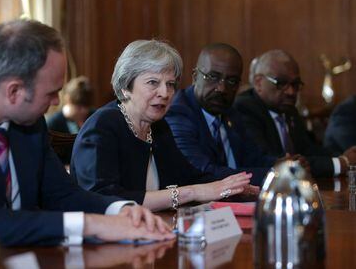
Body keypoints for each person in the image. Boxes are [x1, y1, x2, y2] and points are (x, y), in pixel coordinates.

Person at [0, 19, 174, 247]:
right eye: (52, 93)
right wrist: (92, 225)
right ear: (14, 91)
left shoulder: (30, 121)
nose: (56, 102)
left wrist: (121, 209)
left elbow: (63, 194)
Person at [71, 39, 258, 211]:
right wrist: (191, 192)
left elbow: (190, 177)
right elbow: (104, 200)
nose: (165, 93)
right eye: (153, 82)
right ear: (125, 87)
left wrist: (233, 187)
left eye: (170, 84)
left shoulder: (158, 127)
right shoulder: (102, 127)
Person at [164, 43, 277, 186]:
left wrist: (285, 166)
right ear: (195, 77)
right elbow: (203, 172)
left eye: (232, 81)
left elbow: (254, 158)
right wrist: (274, 176)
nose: (222, 88)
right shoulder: (179, 113)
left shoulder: (231, 112)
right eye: (212, 77)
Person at [234, 49, 356, 178]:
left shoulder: (289, 110)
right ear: (258, 82)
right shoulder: (245, 109)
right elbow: (274, 162)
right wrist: (341, 163)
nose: (291, 92)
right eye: (281, 83)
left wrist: (345, 156)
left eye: (295, 84)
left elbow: (308, 150)